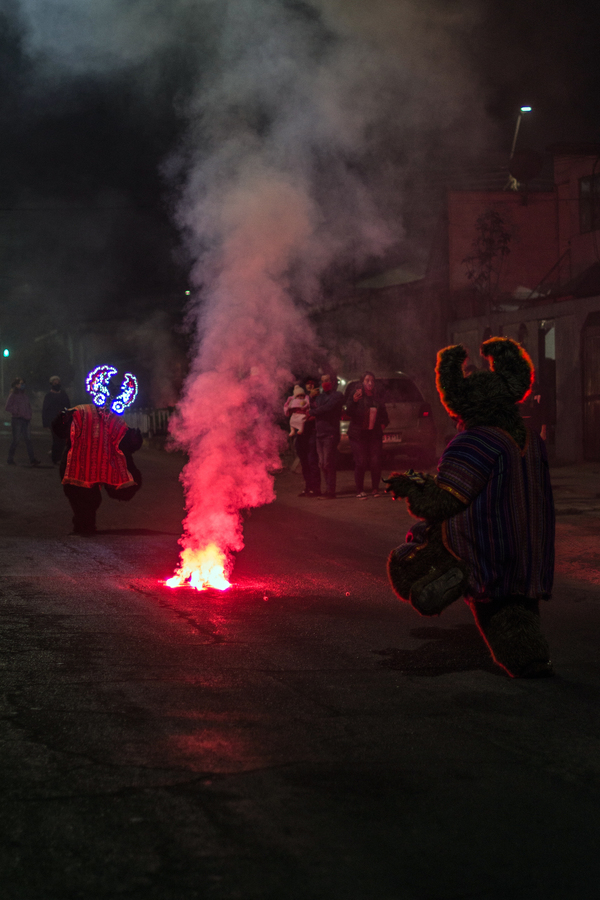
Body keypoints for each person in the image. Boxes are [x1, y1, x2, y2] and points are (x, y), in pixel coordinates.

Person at [52, 366, 142, 535]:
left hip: (101, 468)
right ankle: (83, 526)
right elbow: (60, 429)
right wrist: (62, 420)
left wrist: (135, 440)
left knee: (92, 498)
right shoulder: (81, 413)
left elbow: (126, 445)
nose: (108, 404)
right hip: (78, 466)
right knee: (83, 498)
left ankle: (85, 526)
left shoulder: (116, 421)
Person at [345, 371, 389, 498]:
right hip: (358, 434)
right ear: (362, 382)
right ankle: (360, 490)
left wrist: (381, 426)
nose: (370, 382)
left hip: (373, 434)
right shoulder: (356, 394)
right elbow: (348, 411)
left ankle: (375, 488)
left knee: (375, 461)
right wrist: (353, 401)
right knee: (361, 462)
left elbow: (384, 415)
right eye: (367, 380)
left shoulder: (377, 396)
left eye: (372, 380)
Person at [312, 372, 343, 499]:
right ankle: (328, 489)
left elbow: (326, 409)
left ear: (333, 382)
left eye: (327, 380)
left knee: (328, 462)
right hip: (319, 434)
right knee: (322, 463)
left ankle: (331, 491)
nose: (325, 383)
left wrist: (312, 412)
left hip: (330, 433)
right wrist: (311, 398)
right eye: (323, 381)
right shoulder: (319, 397)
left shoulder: (337, 396)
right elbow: (314, 407)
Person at [294, 377, 321, 497]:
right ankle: (308, 487)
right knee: (304, 462)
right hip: (301, 434)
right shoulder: (299, 397)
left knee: (312, 461)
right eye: (307, 383)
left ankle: (316, 488)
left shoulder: (317, 398)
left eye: (312, 383)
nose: (310, 385)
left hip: (311, 433)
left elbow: (318, 412)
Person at [5, 378, 40, 466]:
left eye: (23, 383)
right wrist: (17, 411)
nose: (23, 385)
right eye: (21, 383)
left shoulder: (25, 395)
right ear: (16, 385)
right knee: (16, 440)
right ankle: (10, 458)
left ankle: (32, 459)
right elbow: (7, 407)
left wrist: (29, 414)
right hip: (17, 420)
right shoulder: (13, 395)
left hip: (26, 420)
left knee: (28, 440)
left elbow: (27, 406)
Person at [42, 376, 70, 464]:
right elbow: (45, 409)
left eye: (58, 382)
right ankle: (55, 458)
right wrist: (45, 423)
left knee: (62, 440)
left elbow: (68, 406)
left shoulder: (63, 394)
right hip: (53, 421)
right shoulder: (49, 396)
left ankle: (57, 456)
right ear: (51, 384)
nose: (57, 384)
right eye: (55, 383)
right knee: (56, 439)